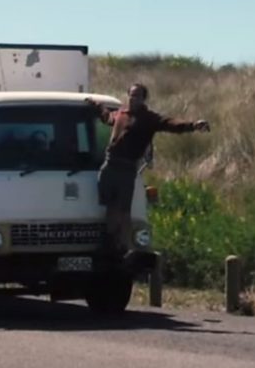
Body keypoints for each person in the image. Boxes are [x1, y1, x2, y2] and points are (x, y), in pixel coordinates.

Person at [86, 83, 210, 259]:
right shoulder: (121, 113)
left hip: (127, 168)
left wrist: (193, 125)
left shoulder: (149, 118)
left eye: (137, 95)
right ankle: (109, 245)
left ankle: (128, 247)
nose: (133, 98)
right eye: (131, 94)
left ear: (144, 99)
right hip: (110, 165)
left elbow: (170, 124)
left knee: (124, 210)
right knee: (110, 207)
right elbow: (107, 118)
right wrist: (97, 105)